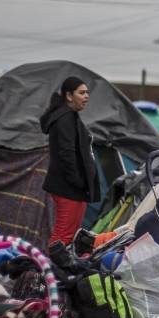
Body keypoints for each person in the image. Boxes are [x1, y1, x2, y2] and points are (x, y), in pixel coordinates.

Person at [39, 76, 99, 247]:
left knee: (71, 234)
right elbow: (67, 153)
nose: (86, 96)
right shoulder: (64, 118)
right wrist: (78, 181)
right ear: (69, 96)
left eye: (87, 92)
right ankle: (49, 270)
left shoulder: (71, 116)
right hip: (68, 187)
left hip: (75, 188)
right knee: (63, 234)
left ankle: (63, 269)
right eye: (81, 93)